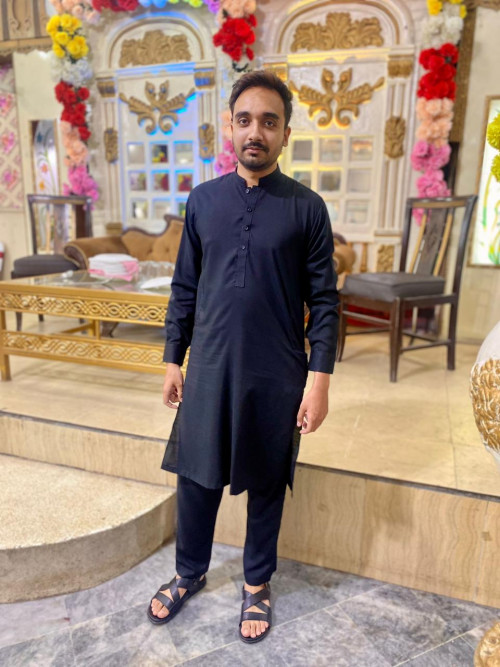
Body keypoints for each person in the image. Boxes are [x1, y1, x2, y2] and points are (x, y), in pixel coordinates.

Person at [147, 70, 339, 643]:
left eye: (269, 122)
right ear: (229, 127)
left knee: (266, 478)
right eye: (246, 120)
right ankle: (189, 572)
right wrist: (173, 358)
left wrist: (319, 381)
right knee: (196, 474)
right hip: (208, 364)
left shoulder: (307, 208)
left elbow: (325, 302)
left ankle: (257, 582)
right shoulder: (203, 201)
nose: (256, 132)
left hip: (276, 369)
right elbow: (185, 286)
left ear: (285, 134)